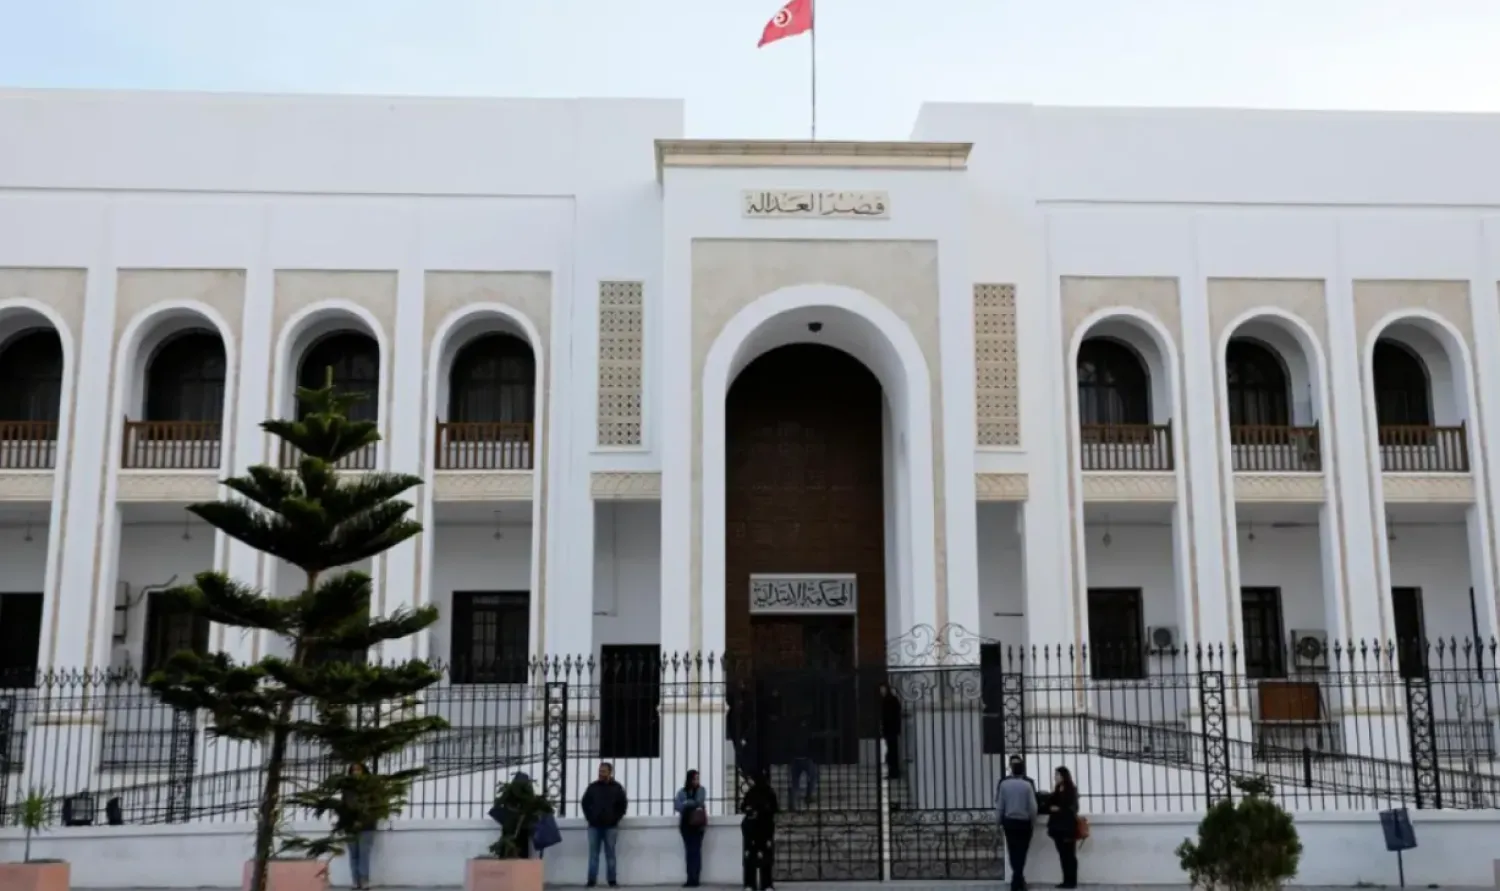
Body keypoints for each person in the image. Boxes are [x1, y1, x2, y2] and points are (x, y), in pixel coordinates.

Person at [581, 761, 628, 888]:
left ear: (610, 772)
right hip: (594, 826)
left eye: (603, 771)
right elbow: (585, 803)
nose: (600, 773)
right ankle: (591, 881)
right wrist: (590, 818)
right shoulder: (593, 787)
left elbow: (623, 806)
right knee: (593, 855)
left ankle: (612, 881)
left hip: (611, 826)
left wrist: (615, 819)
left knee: (610, 854)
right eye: (600, 771)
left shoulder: (617, 788)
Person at [996, 756, 1039, 891]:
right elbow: (1033, 807)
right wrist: (1033, 821)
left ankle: (1017, 881)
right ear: (1022, 771)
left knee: (1012, 851)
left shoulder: (1004, 784)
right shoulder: (1027, 785)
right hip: (1024, 823)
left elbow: (1000, 805)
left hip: (1009, 823)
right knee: (1022, 851)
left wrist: (998, 822)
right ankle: (1018, 880)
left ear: (1012, 770)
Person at [740, 767, 780, 891]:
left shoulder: (769, 792)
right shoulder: (751, 793)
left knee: (766, 858)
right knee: (750, 857)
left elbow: (774, 808)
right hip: (752, 830)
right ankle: (750, 884)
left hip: (765, 828)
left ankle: (766, 884)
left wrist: (762, 810)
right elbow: (743, 807)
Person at [342, 763, 378, 890]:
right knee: (354, 855)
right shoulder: (347, 788)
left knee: (364, 854)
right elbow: (345, 807)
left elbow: (373, 807)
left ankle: (364, 881)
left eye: (358, 769)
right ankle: (355, 881)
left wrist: (362, 820)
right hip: (350, 826)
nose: (356, 772)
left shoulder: (370, 788)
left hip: (366, 826)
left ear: (364, 771)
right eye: (353, 770)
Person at [1047, 767, 1080, 889]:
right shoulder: (1057, 790)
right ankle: (1065, 879)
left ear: (1064, 776)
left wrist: (1059, 809)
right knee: (1062, 855)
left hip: (1068, 827)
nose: (1055, 777)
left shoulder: (1071, 790)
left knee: (1069, 855)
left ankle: (1072, 880)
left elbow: (1073, 808)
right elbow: (1050, 803)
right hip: (1057, 827)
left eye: (1057, 775)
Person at [674, 769, 708, 888]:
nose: (696, 781)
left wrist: (686, 803)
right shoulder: (682, 791)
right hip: (686, 825)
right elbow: (677, 805)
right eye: (694, 778)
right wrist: (689, 803)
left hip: (698, 825)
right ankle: (690, 878)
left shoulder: (701, 790)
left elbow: (698, 802)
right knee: (689, 852)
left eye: (698, 778)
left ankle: (696, 878)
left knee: (696, 851)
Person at [879, 682, 903, 780]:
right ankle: (892, 771)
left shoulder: (891, 700)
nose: (881, 692)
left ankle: (894, 772)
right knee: (891, 751)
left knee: (892, 752)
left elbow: (892, 715)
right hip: (889, 730)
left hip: (891, 730)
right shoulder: (887, 700)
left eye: (883, 689)